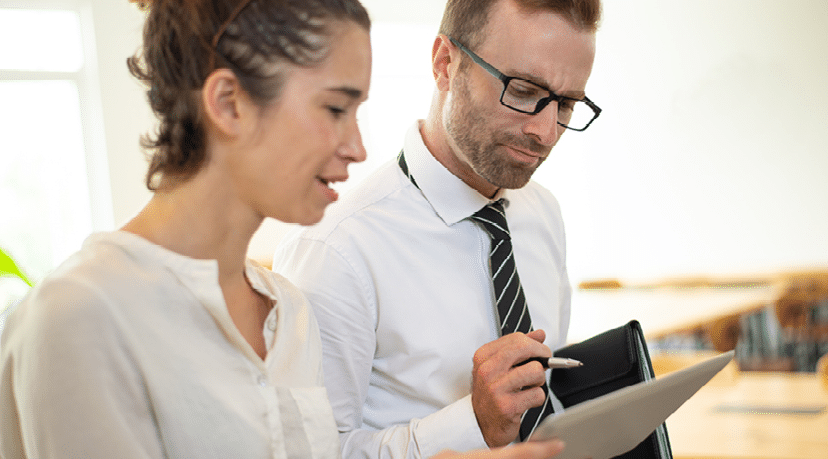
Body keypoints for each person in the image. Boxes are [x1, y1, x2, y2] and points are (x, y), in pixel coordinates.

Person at [0, 1, 564, 458]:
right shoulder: (80, 316)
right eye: (335, 110)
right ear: (229, 103)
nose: (357, 149)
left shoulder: (286, 314)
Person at [273, 0, 602, 457]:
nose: (546, 132)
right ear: (445, 64)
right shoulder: (335, 248)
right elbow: (304, 453)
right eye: (524, 91)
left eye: (566, 104)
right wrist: (474, 424)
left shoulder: (542, 213)